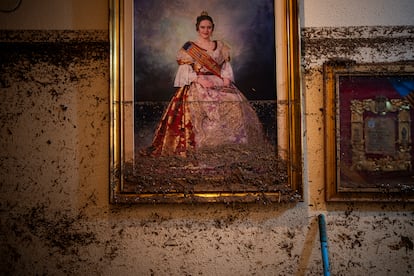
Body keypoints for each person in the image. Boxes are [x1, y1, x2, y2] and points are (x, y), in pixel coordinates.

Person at [146, 11, 265, 156]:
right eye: (202, 27)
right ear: (197, 28)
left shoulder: (221, 46)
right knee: (207, 110)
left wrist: (226, 77)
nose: (206, 30)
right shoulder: (190, 48)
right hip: (198, 83)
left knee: (234, 103)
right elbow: (184, 70)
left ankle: (232, 148)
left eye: (209, 27)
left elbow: (225, 67)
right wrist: (198, 79)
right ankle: (206, 149)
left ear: (212, 28)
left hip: (219, 82)